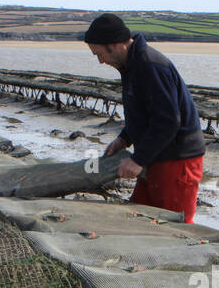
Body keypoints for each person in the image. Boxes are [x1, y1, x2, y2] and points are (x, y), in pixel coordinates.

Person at [84, 13, 206, 222]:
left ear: (114, 45)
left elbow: (168, 121)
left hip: (178, 159)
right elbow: (144, 112)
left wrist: (137, 160)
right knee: (139, 219)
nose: (100, 61)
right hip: (155, 155)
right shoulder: (131, 66)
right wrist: (124, 138)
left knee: (175, 227)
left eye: (100, 54)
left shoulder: (150, 66)